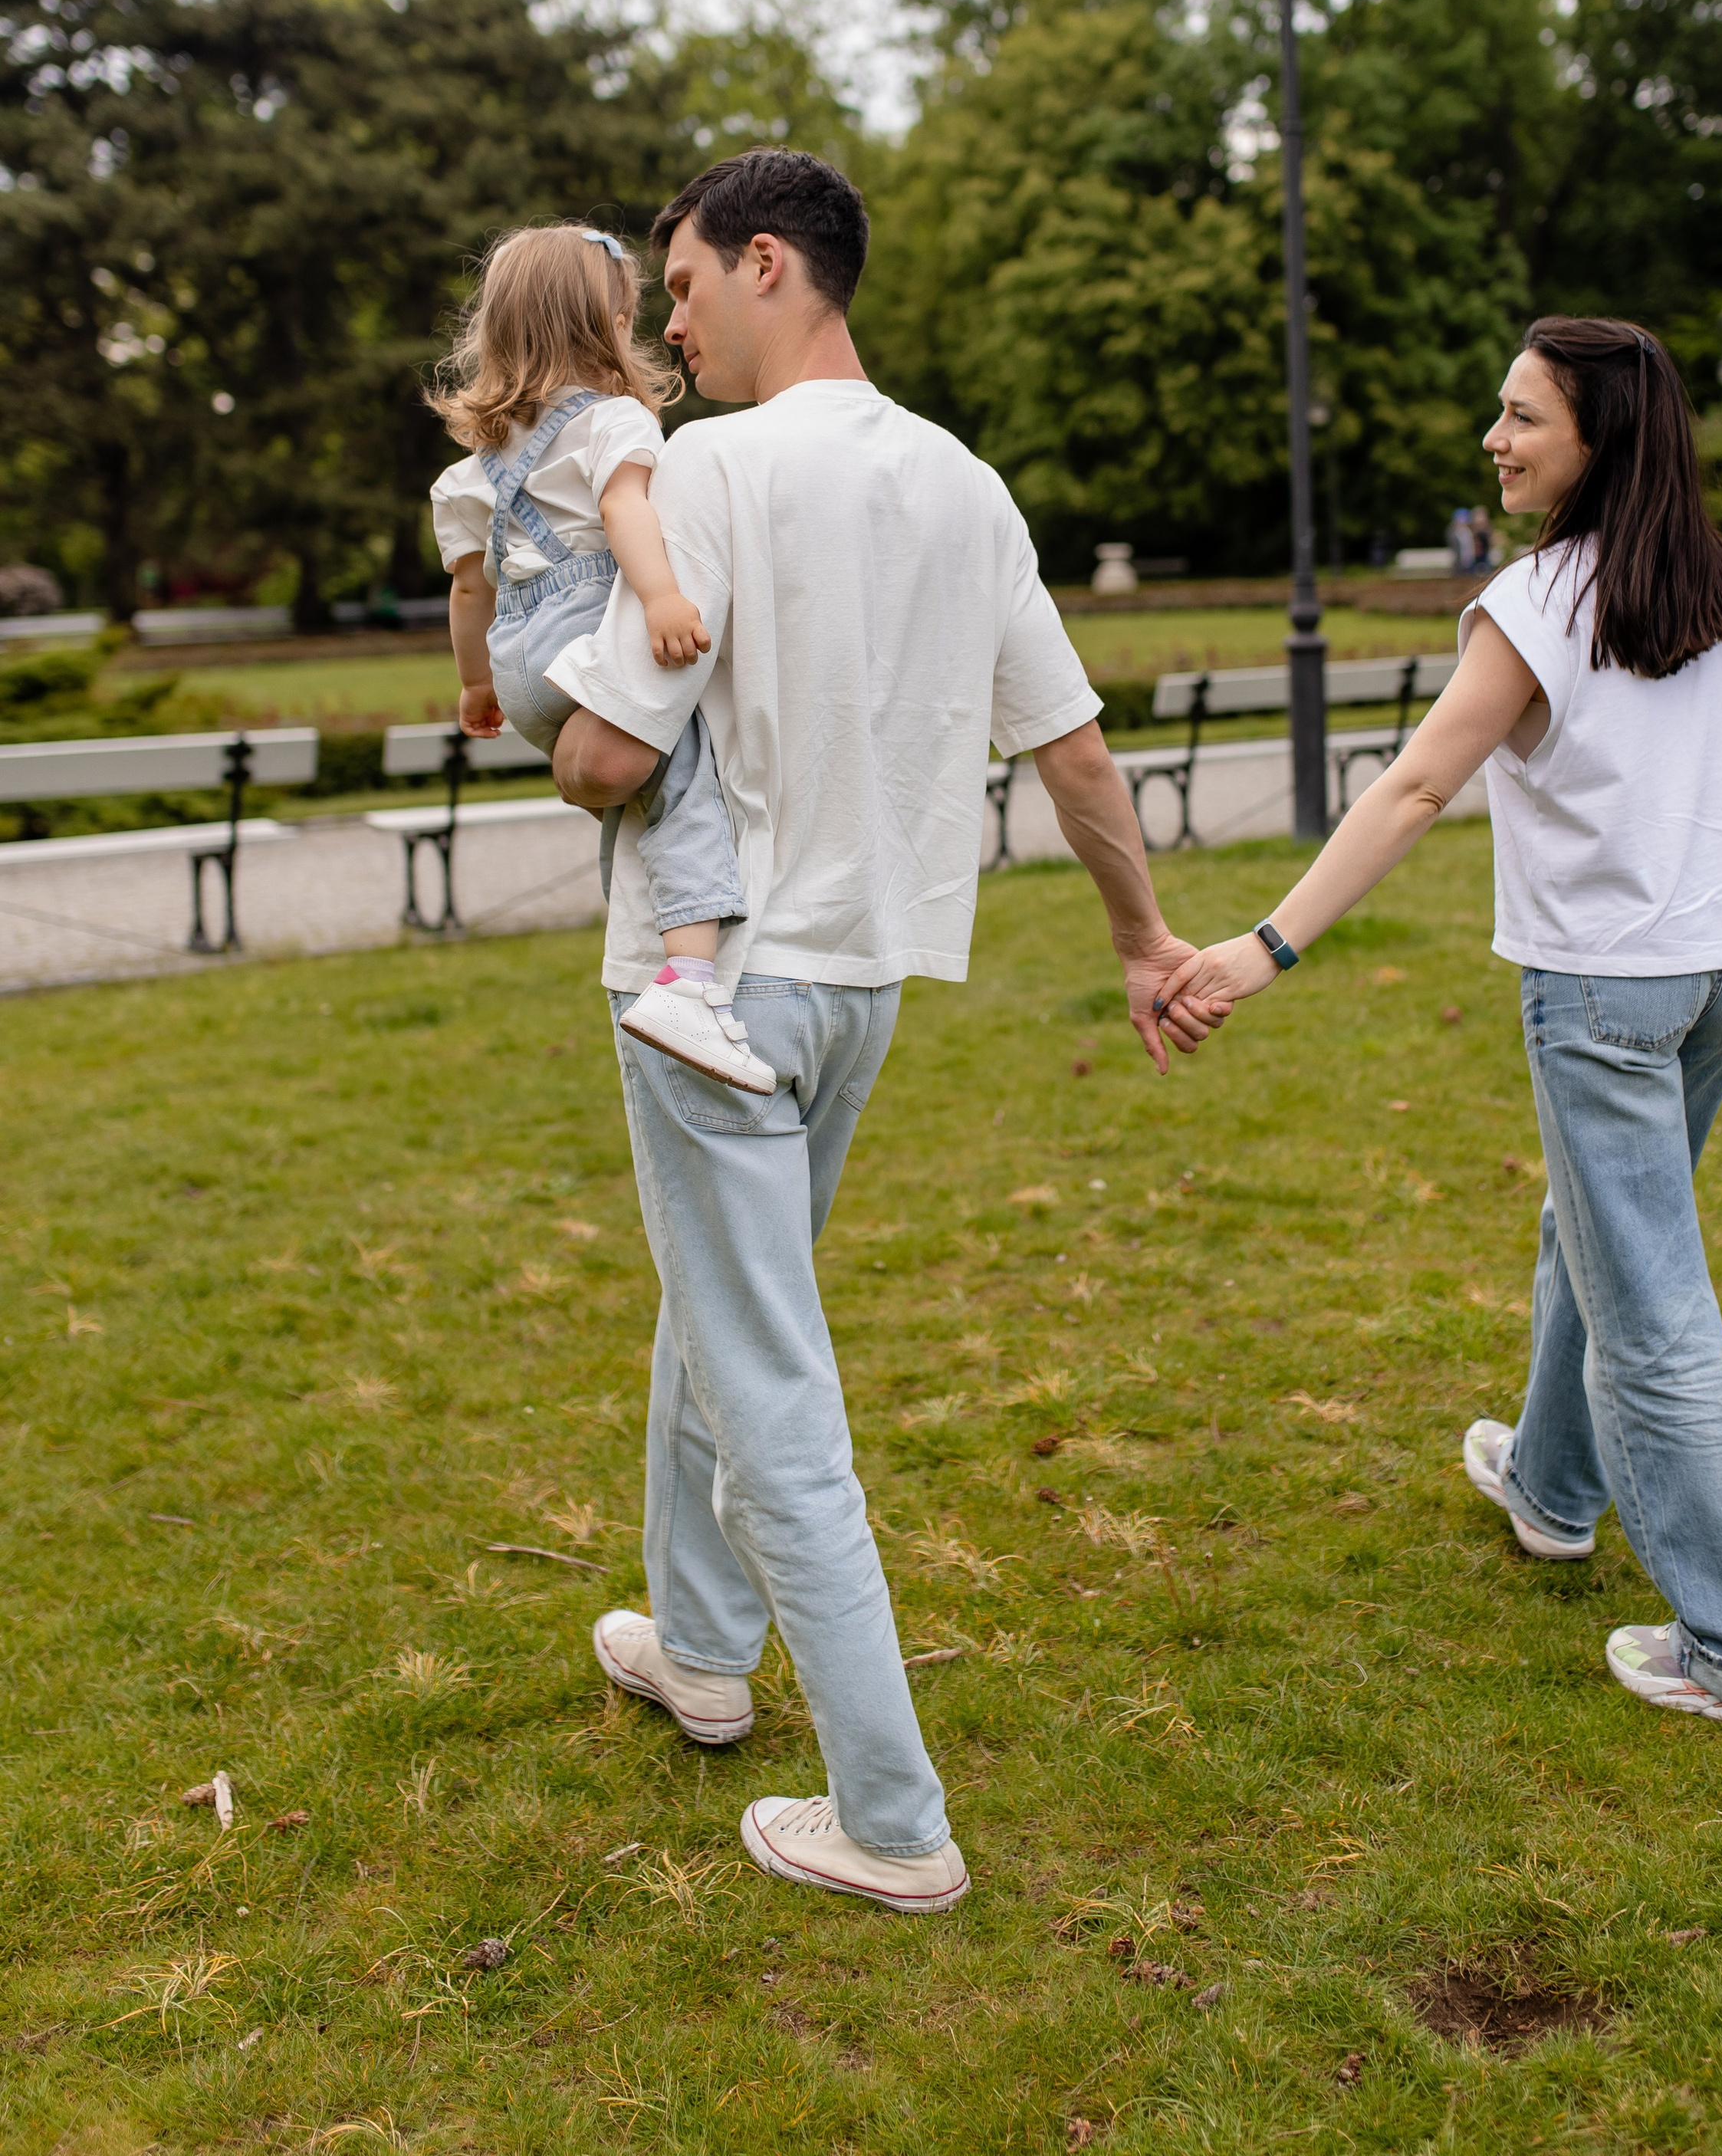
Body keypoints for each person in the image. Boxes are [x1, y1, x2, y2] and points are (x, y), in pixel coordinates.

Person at [545, 147, 1214, 1912]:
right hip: (855, 992)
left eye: (682, 282)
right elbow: (1067, 746)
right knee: (724, 1309)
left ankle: (892, 1819)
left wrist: (557, 745)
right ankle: (698, 1643)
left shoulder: (705, 470)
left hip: (711, 992)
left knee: (766, 1374)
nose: (667, 321)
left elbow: (609, 753)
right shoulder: (965, 484)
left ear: (770, 263)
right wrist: (1140, 935)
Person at [1162, 317, 1722, 1734]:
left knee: (1653, 1314)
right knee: (1593, 1239)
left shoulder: (1540, 604)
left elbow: (1411, 790)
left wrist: (1266, 947)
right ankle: (1552, 1491)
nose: (1495, 439)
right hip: (1712, 984)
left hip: (1607, 993)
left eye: (1523, 417)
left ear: (1601, 442)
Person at [429, 222, 768, 1093]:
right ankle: (691, 981)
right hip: (586, 636)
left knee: (641, 798)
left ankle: (653, 947)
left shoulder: (475, 465)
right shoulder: (613, 421)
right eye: (629, 317)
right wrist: (659, 597)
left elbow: (471, 590)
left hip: (519, 665)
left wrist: (474, 685)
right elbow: (627, 515)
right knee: (686, 777)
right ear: (602, 325)